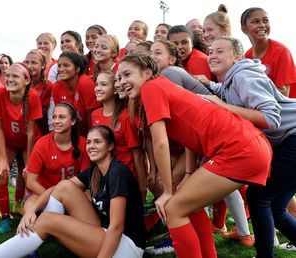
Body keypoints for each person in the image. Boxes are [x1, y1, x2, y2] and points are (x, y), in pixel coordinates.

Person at [118, 54, 272, 258]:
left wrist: (166, 190)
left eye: (127, 74)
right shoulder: (163, 86)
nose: (122, 82)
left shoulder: (151, 87)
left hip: (239, 149)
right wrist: (189, 173)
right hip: (249, 145)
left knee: (173, 208)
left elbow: (160, 142)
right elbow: (190, 139)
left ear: (147, 73)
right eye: (119, 77)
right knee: (190, 205)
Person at [0, 125, 146, 258]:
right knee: (64, 187)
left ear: (110, 146)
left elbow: (117, 227)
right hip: (105, 234)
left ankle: (33, 239)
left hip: (126, 247)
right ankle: (37, 237)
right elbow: (57, 189)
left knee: (48, 220)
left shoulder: (118, 172)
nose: (91, 146)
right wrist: (31, 210)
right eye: (89, 142)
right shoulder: (95, 171)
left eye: (98, 142)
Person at [202, 36, 296, 258]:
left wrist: (222, 105)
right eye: (211, 51)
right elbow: (227, 92)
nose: (212, 55)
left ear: (237, 57)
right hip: (289, 140)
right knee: (274, 206)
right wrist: (209, 86)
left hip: (294, 137)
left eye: (220, 51)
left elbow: (271, 118)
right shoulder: (231, 79)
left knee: (258, 196)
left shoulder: (244, 75)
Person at [0, 62, 42, 234]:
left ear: (27, 80)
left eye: (15, 76)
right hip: (8, 141)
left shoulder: (33, 96)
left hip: (28, 141)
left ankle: (21, 204)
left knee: (28, 175)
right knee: (1, 173)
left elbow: (30, 131)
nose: (10, 79)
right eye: (8, 76)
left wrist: (29, 163)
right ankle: (5, 217)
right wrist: (4, 160)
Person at [24, 102, 90, 210]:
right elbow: (31, 181)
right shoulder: (42, 144)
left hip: (72, 193)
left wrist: (65, 196)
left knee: (90, 199)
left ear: (73, 121)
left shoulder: (82, 143)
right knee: (29, 206)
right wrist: (52, 197)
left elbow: (84, 180)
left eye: (62, 117)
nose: (56, 121)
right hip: (45, 192)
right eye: (54, 117)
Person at [92, 71, 147, 199]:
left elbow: (138, 155)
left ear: (115, 89)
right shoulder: (95, 114)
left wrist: (142, 187)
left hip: (125, 177)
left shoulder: (125, 116)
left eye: (103, 84)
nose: (98, 88)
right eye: (97, 84)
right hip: (103, 176)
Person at [241, 7, 296, 98]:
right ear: (244, 29)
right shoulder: (247, 57)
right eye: (255, 22)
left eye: (266, 21)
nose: (262, 25)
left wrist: (254, 88)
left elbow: (284, 94)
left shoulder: (281, 52)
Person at [51, 51, 100, 136]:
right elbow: (60, 116)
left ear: (77, 69)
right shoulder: (56, 86)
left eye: (66, 65)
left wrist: (89, 139)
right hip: (70, 133)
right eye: (59, 66)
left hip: (89, 132)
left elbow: (91, 117)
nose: (61, 69)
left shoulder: (85, 83)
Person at [23, 49, 52, 136]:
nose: (29, 66)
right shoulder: (20, 83)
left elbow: (44, 113)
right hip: (21, 125)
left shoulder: (47, 86)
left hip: (39, 128)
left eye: (34, 63)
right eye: (27, 62)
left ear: (42, 65)